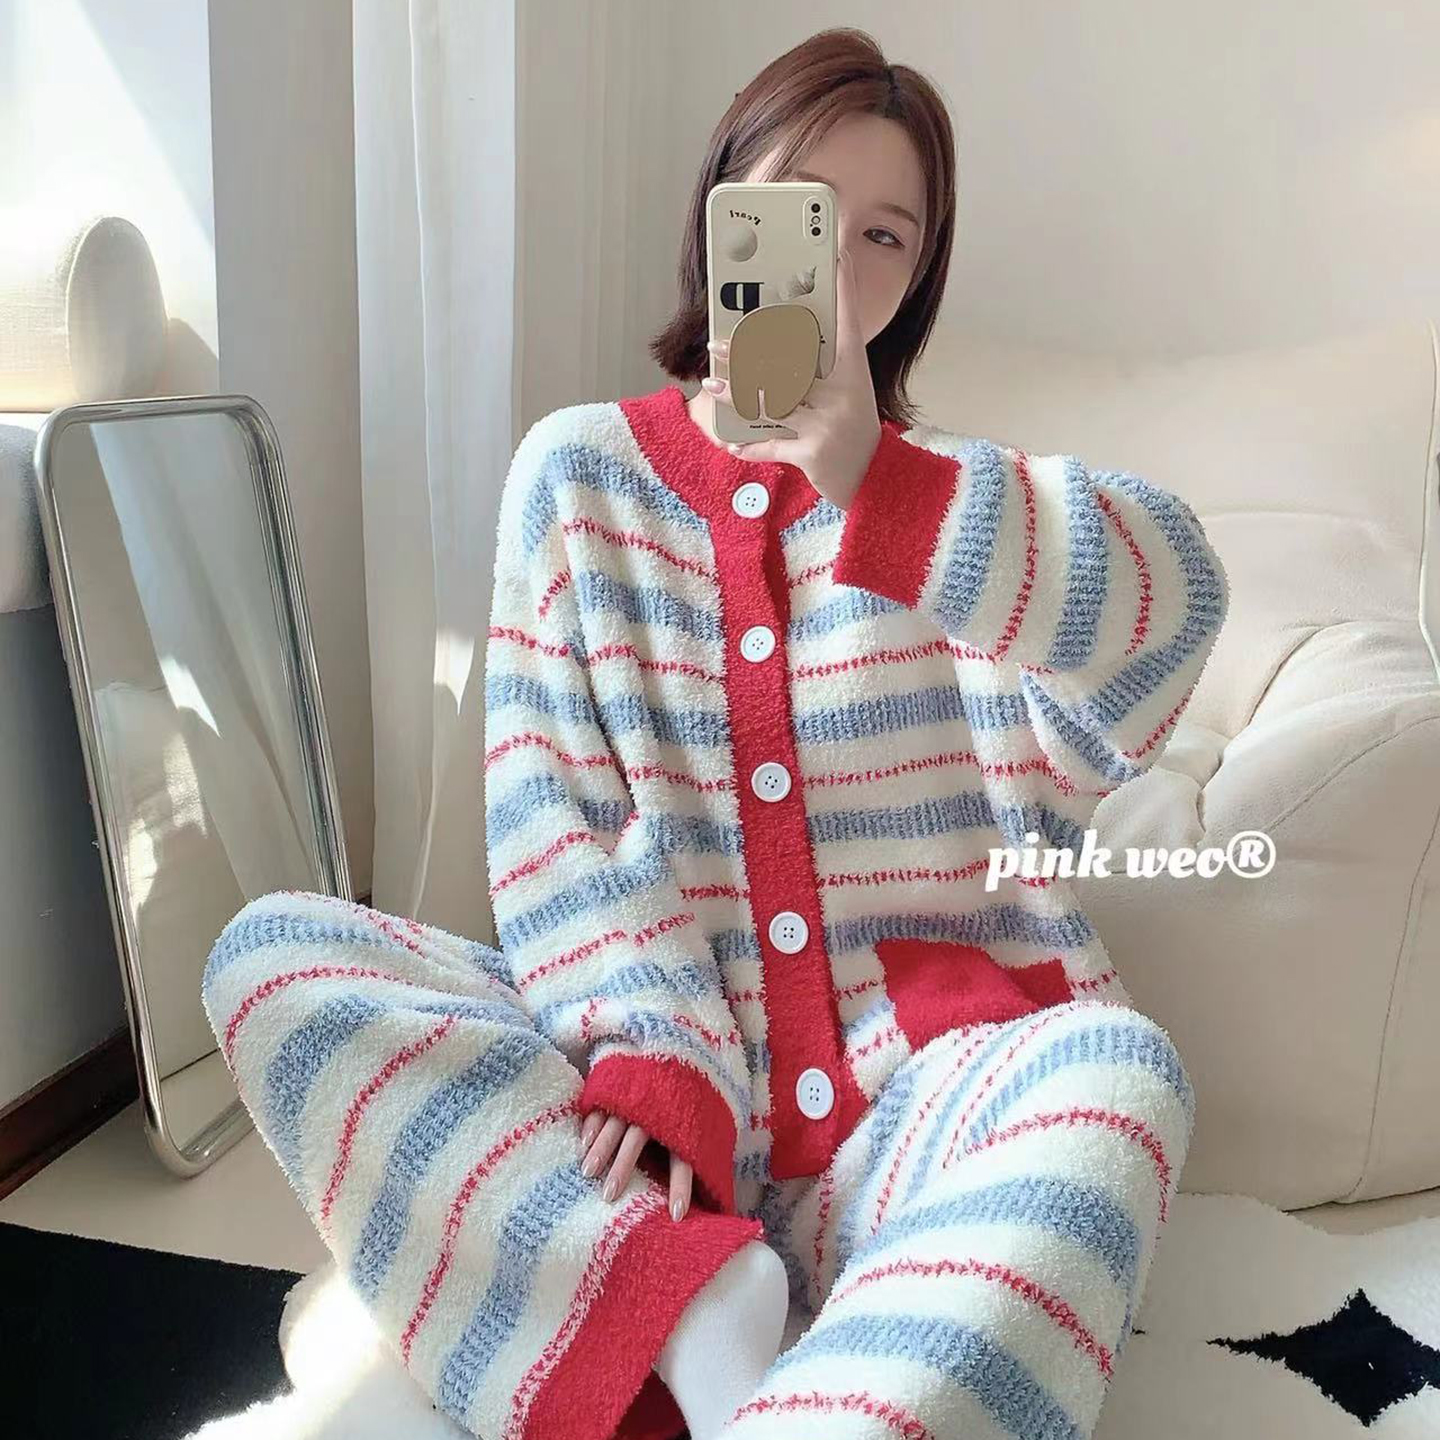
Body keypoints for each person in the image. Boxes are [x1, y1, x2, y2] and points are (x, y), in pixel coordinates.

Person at [202, 26, 1228, 1440]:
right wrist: (657, 1049)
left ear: (919, 275)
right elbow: (551, 817)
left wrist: (885, 489)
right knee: (275, 956)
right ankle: (693, 1305)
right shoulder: (577, 475)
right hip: (654, 1131)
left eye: (885, 236)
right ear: (723, 214)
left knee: (1121, 1078)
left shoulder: (955, 513)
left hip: (914, 1112)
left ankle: (780, 1386)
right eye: (801, 214)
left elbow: (1179, 605)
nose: (840, 270)